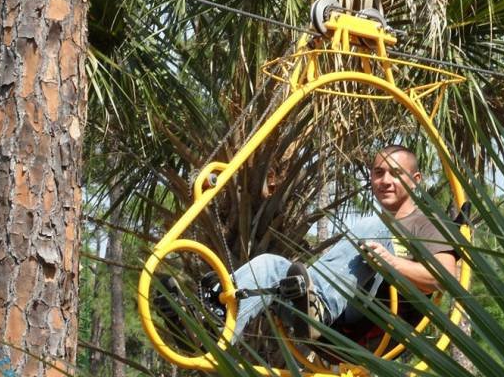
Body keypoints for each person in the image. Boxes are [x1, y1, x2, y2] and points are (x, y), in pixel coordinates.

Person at [157, 145, 458, 344]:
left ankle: (320, 304)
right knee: (269, 265)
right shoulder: (374, 225)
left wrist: (391, 263)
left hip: (375, 321)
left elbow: (445, 280)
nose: (386, 180)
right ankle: (206, 329)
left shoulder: (426, 223)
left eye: (396, 173)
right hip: (327, 316)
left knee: (375, 226)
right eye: (379, 173)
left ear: (415, 180)